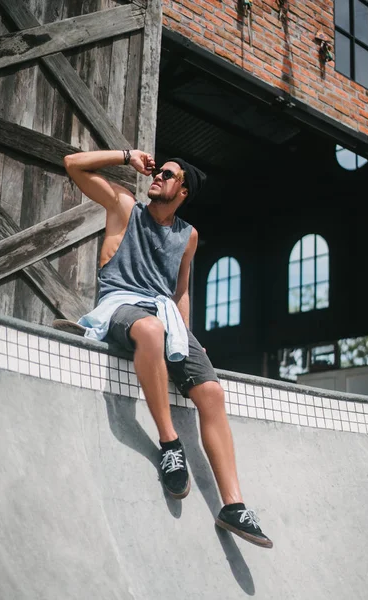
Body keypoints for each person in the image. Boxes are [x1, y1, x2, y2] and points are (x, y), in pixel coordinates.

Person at [53, 148, 273, 549]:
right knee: (151, 329)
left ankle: (234, 505)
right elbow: (72, 164)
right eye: (158, 172)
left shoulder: (187, 236)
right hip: (120, 306)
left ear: (183, 190)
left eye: (167, 174)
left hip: (165, 316)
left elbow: (181, 289)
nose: (157, 177)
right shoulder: (124, 207)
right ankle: (170, 445)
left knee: (211, 390)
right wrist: (125, 156)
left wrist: (186, 338)